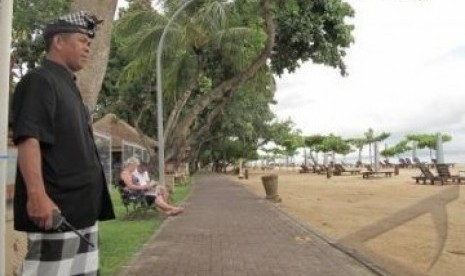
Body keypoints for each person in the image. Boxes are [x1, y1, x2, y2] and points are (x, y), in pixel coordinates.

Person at [11, 11, 115, 275]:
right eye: (82, 40)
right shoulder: (40, 80)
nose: (87, 47)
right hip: (57, 213)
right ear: (58, 41)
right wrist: (37, 195)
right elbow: (28, 138)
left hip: (81, 212)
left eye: (89, 43)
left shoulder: (69, 86)